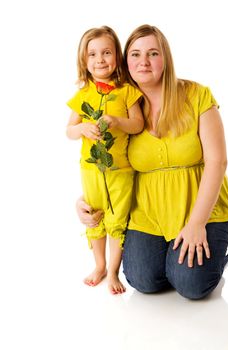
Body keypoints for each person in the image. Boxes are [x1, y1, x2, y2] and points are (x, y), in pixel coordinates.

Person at [76, 24, 228, 300]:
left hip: (200, 207)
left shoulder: (196, 95)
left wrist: (197, 223)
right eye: (135, 54)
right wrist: (87, 200)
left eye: (153, 53)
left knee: (191, 285)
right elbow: (110, 165)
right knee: (143, 281)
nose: (144, 62)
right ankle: (175, 261)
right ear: (125, 62)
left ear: (166, 59)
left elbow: (217, 162)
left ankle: (214, 258)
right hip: (147, 212)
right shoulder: (120, 105)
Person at [66, 26, 144, 294]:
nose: (100, 60)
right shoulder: (84, 93)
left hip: (120, 170)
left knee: (116, 221)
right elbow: (69, 131)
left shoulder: (126, 90)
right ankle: (99, 265)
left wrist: (116, 121)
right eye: (93, 54)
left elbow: (137, 124)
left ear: (117, 57)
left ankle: (113, 272)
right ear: (84, 61)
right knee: (95, 217)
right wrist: (82, 129)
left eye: (107, 52)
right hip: (91, 169)